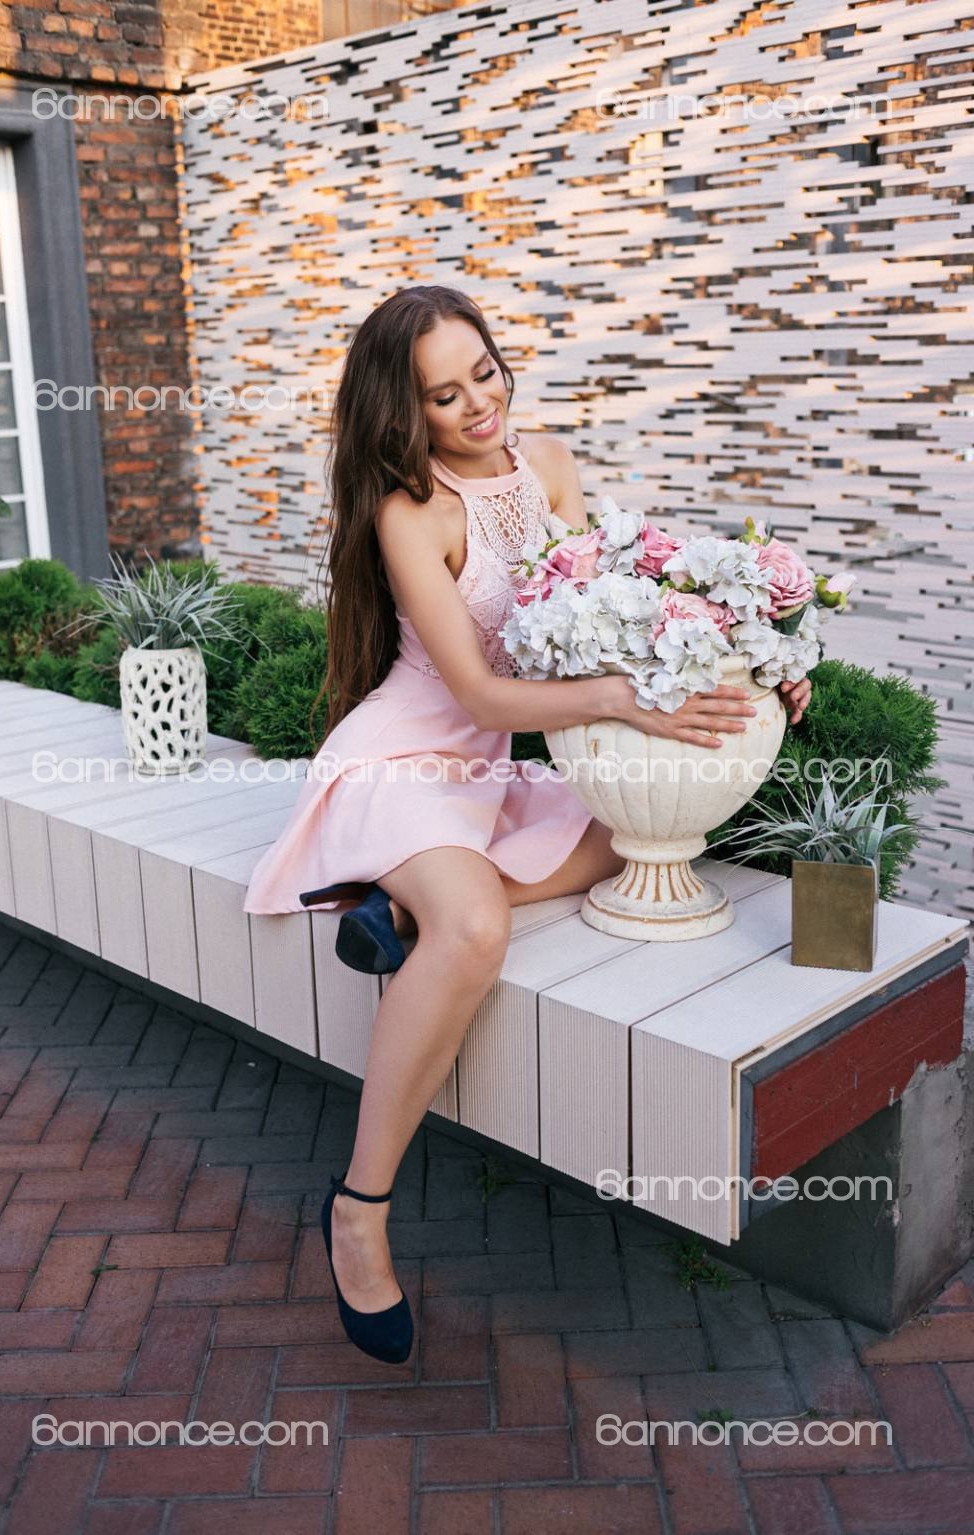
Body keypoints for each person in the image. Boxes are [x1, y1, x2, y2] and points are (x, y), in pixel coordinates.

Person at [242, 285, 812, 1363]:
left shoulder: (548, 465)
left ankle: (394, 908)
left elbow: (622, 602)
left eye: (485, 373)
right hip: (407, 759)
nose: (477, 404)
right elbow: (480, 691)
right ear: (402, 413)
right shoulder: (409, 511)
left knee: (641, 835)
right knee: (475, 932)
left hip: (493, 769)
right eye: (442, 395)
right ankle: (359, 1208)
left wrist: (761, 656)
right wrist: (622, 703)